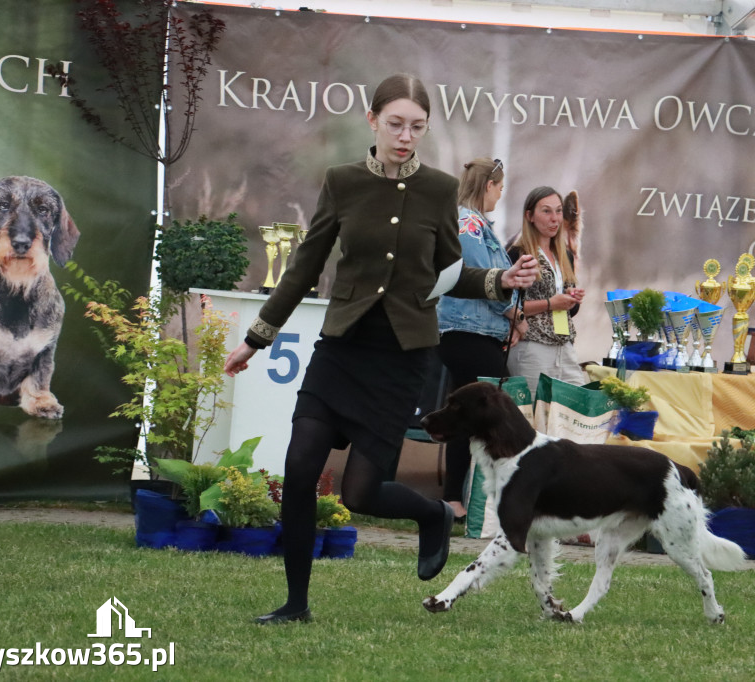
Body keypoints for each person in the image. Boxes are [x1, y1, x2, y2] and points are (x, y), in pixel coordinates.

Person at [223, 74, 538, 625]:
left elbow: (449, 271)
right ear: (372, 121)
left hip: (401, 356)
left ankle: (433, 515)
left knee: (363, 493)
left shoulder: (440, 189)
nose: (405, 136)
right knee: (299, 470)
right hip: (343, 346)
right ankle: (295, 605)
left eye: (416, 127)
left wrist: (499, 281)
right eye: (395, 124)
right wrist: (258, 337)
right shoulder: (342, 181)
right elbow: (305, 265)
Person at [436, 157, 526, 520]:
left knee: (467, 416)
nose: (500, 196)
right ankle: (481, 502)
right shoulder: (469, 225)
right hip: (468, 332)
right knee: (497, 411)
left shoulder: (472, 224)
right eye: (500, 188)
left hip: (470, 332)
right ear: (488, 186)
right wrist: (514, 316)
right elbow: (480, 278)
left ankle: (456, 500)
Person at [506, 186, 587, 395]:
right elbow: (507, 306)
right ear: (529, 216)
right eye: (546, 211)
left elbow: (568, 309)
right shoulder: (518, 253)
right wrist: (551, 303)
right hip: (531, 345)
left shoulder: (564, 254)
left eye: (559, 211)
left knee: (575, 407)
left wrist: (572, 300)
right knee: (533, 416)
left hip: (564, 343)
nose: (555, 219)